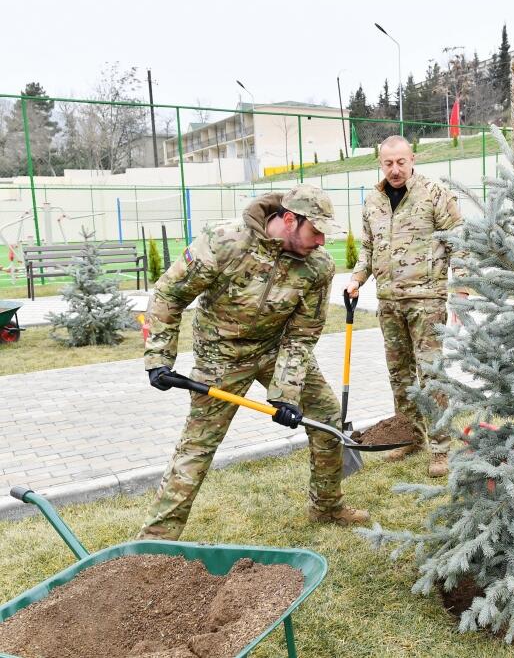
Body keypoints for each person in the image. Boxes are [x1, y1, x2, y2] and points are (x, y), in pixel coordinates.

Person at [137, 184, 369, 540]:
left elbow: (302, 334)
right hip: (220, 355)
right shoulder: (225, 241)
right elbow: (170, 293)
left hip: (276, 348)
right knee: (198, 445)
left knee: (325, 417)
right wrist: (158, 356)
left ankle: (327, 506)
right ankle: (156, 539)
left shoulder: (318, 267)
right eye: (316, 231)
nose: (322, 241)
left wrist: (285, 393)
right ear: (290, 220)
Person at [345, 135, 468, 478]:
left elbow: (459, 240)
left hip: (425, 300)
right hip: (388, 301)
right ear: (380, 163)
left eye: (401, 162)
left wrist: (463, 287)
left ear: (412, 158)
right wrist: (357, 279)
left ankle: (440, 448)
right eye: (388, 163)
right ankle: (408, 436)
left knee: (431, 375)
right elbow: (368, 248)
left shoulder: (433, 193)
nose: (395, 169)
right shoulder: (372, 200)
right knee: (399, 376)